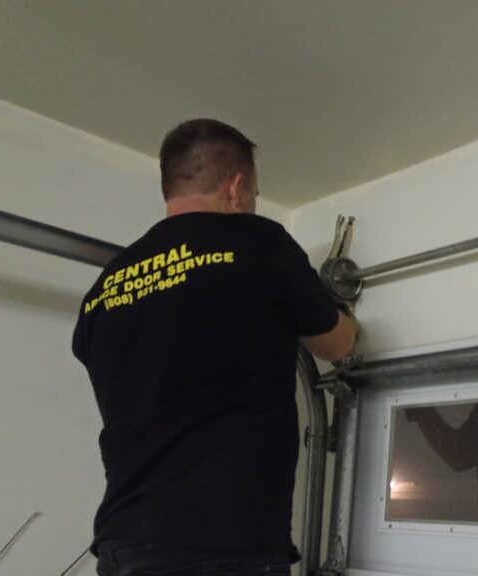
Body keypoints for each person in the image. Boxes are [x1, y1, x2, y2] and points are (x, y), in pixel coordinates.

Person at [72, 119, 357, 575]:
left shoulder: (107, 285)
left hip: (124, 546)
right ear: (237, 188)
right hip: (222, 546)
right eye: (255, 197)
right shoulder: (259, 243)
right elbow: (340, 344)